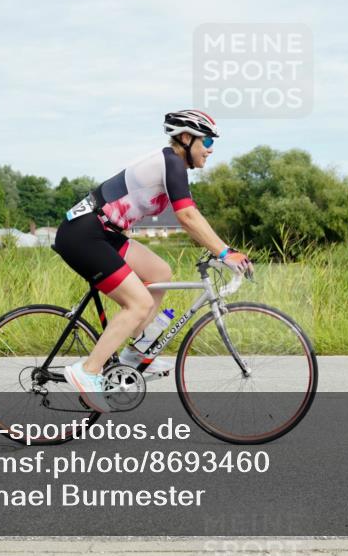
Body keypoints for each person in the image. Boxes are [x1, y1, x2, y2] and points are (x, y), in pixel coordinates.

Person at [55, 110, 253, 412]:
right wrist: (224, 253)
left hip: (105, 233)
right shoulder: (171, 161)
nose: (211, 148)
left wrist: (219, 249)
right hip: (84, 234)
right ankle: (88, 371)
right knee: (139, 303)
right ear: (186, 138)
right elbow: (187, 217)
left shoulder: (172, 165)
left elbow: (190, 215)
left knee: (160, 272)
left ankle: (136, 354)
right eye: (208, 140)